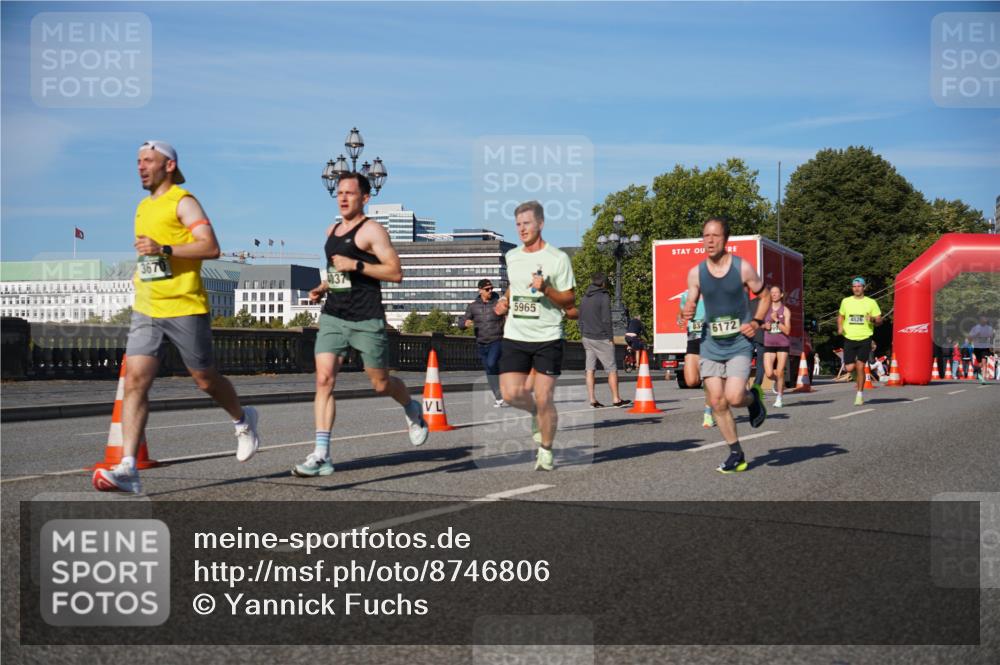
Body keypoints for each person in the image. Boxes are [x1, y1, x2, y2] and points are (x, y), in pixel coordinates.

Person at [93, 141, 261, 494]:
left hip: (185, 305)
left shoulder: (184, 201)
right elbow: (150, 257)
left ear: (168, 166)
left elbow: (210, 247)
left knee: (204, 379)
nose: (140, 166)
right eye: (137, 160)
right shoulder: (142, 207)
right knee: (136, 381)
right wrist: (142, 272)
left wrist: (164, 249)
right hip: (148, 306)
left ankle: (243, 421)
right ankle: (128, 467)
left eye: (148, 161)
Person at [292, 173, 428, 478]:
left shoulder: (373, 231)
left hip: (366, 318)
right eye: (339, 192)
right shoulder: (332, 230)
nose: (342, 198)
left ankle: (411, 408)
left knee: (381, 384)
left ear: (365, 198)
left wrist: (357, 264)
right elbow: (337, 271)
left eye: (349, 193)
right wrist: (323, 286)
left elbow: (395, 272)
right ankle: (322, 454)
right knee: (324, 380)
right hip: (334, 315)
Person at [681, 217, 769, 474]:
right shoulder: (696, 272)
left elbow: (764, 296)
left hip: (738, 343)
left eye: (715, 236)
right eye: (705, 236)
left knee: (734, 396)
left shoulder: (742, 269)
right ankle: (736, 454)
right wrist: (687, 308)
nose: (709, 240)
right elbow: (692, 299)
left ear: (726, 239)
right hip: (710, 343)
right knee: (717, 401)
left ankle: (753, 399)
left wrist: (756, 320)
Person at [494, 201, 575, 472]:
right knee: (510, 393)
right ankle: (534, 413)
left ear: (540, 224)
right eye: (517, 224)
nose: (521, 229)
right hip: (515, 334)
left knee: (544, 398)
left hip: (548, 336)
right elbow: (514, 289)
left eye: (526, 223)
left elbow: (569, 299)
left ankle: (546, 450)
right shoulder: (512, 257)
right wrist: (504, 302)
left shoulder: (558, 258)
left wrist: (548, 289)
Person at [578, 272, 630, 408]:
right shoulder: (604, 296)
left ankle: (592, 400)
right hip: (601, 337)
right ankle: (616, 399)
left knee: (590, 369)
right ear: (603, 282)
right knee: (611, 369)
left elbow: (580, 317)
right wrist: (610, 337)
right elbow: (606, 319)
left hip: (587, 337)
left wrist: (583, 333)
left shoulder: (585, 297)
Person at [837, 277, 883, 405]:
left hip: (865, 337)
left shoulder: (871, 302)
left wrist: (873, 320)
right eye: (854, 286)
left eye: (859, 286)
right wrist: (840, 327)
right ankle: (859, 379)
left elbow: (880, 321)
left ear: (864, 287)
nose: (856, 288)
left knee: (860, 366)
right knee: (849, 367)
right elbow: (841, 317)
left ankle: (859, 394)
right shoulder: (846, 301)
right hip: (849, 338)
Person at [461, 278, 507, 407]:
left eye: (492, 288)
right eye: (487, 289)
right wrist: (464, 324)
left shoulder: (498, 303)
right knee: (489, 370)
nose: (490, 291)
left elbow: (509, 315)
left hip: (497, 340)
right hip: (481, 342)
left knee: (492, 363)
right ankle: (498, 396)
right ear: (480, 290)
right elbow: (462, 321)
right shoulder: (473, 306)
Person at [678, 291, 714, 427]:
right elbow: (681, 312)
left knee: (709, 380)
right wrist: (681, 318)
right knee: (691, 381)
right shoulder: (686, 296)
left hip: (711, 339)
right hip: (693, 338)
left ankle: (708, 412)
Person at [762, 285, 791, 407]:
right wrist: (765, 326)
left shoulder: (785, 311)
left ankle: (779, 398)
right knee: (769, 373)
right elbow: (759, 324)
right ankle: (778, 381)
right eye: (771, 292)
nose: (773, 294)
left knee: (779, 371)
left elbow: (788, 331)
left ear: (781, 295)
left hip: (782, 344)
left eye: (776, 292)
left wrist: (777, 320)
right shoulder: (765, 309)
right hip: (768, 343)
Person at [969, 316, 994, 383]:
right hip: (977, 348)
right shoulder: (975, 328)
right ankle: (977, 370)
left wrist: (991, 346)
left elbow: (991, 337)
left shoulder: (989, 328)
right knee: (980, 364)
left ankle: (983, 379)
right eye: (983, 320)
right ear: (980, 321)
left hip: (985, 348)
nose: (984, 321)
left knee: (984, 362)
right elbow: (970, 337)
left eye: (985, 320)